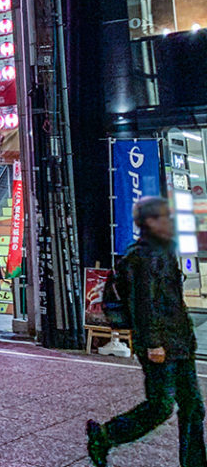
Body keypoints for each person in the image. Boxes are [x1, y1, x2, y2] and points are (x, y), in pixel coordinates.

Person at [86, 196, 206, 467]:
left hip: (179, 341)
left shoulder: (162, 251)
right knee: (160, 407)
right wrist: (153, 343)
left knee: (193, 407)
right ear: (151, 222)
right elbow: (144, 305)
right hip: (160, 345)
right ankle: (105, 436)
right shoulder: (144, 257)